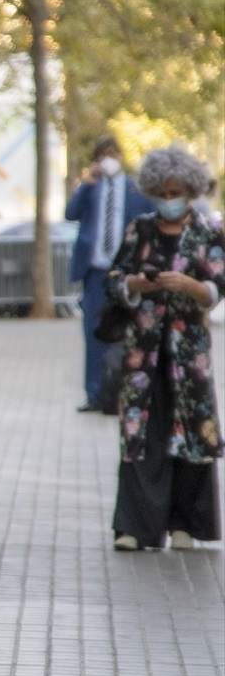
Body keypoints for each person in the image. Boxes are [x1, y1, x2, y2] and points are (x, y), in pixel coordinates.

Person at [104, 146, 223, 551]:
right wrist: (136, 285)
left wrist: (191, 287)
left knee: (190, 431)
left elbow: (216, 286)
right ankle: (134, 527)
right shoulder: (140, 229)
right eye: (164, 192)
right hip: (144, 352)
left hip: (189, 354)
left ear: (191, 190)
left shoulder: (208, 233)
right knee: (140, 432)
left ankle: (185, 524)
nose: (170, 199)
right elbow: (115, 277)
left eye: (177, 192)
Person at [65, 136, 154, 412]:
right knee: (93, 333)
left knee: (128, 332)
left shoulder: (134, 189)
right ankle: (94, 394)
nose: (108, 158)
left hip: (125, 273)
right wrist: (84, 184)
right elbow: (70, 213)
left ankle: (122, 391)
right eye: (102, 154)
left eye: (112, 153)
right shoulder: (90, 188)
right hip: (95, 272)